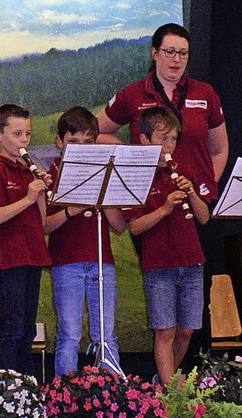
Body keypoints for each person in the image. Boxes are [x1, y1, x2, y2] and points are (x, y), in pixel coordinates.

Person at [95, 22, 228, 364]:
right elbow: (96, 133)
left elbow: (220, 149)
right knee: (165, 311)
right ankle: (169, 392)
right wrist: (135, 154)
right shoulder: (132, 94)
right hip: (153, 208)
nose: (176, 59)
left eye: (183, 53)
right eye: (169, 51)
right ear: (154, 54)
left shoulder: (206, 93)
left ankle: (190, 381)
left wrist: (203, 191)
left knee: (195, 313)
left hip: (198, 208)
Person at [124, 106, 209, 385]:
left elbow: (204, 217)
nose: (170, 145)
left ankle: (165, 381)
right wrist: (163, 209)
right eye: (163, 138)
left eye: (173, 138)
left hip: (192, 261)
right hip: (159, 264)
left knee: (187, 330)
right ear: (145, 140)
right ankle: (171, 391)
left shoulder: (183, 169)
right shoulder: (137, 175)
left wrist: (192, 193)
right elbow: (134, 227)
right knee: (165, 331)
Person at [44, 106, 127, 377]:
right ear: (60, 142)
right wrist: (71, 210)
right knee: (69, 333)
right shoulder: (49, 175)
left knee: (105, 334)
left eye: (88, 143)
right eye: (73, 142)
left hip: (102, 261)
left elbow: (119, 226)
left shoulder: (105, 172)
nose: (80, 149)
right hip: (66, 262)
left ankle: (113, 398)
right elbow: (44, 225)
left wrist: (103, 195)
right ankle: (62, 398)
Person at [0, 104, 51, 375]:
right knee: (12, 327)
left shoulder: (26, 172)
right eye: (17, 134)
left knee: (27, 329)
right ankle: (5, 389)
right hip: (10, 257)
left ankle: (27, 390)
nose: (24, 141)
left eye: (27, 134)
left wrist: (41, 195)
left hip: (32, 254)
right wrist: (28, 198)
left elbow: (41, 222)